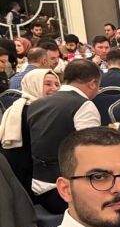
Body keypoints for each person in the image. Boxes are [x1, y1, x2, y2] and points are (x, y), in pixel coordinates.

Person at [27, 59, 102, 213]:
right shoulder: (84, 105)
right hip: (63, 190)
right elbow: (92, 151)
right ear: (92, 83)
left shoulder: (36, 104)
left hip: (36, 185)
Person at [0, 68, 59, 192]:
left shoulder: (18, 107)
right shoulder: (35, 111)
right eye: (47, 84)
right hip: (27, 175)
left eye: (57, 84)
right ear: (33, 85)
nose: (54, 88)